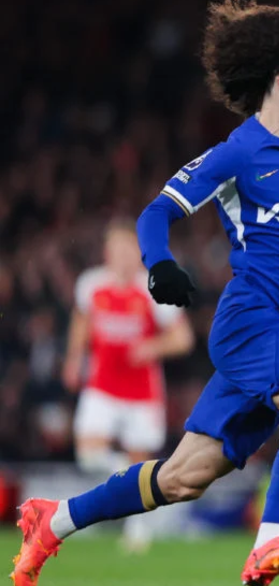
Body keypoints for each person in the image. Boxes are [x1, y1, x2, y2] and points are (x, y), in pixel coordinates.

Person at [10, 0, 279, 586]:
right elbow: (154, 214)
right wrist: (159, 265)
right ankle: (268, 542)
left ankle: (54, 520)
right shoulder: (238, 153)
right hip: (252, 321)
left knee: (184, 476)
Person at [62, 219, 195, 553]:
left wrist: (152, 347)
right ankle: (121, 476)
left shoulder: (153, 290)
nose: (121, 256)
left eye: (128, 249)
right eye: (116, 249)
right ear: (107, 252)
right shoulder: (91, 284)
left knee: (140, 461)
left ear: (137, 253)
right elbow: (82, 320)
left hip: (142, 392)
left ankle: (138, 534)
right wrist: (73, 359)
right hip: (102, 385)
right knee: (89, 453)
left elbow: (183, 338)